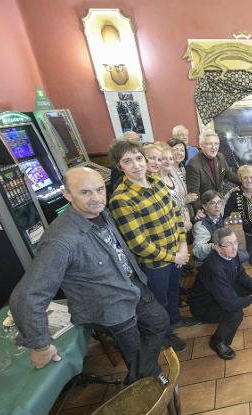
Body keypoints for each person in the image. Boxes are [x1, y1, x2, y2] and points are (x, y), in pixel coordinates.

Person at [9, 167, 169, 385]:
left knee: (159, 321)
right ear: (68, 195)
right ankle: (146, 382)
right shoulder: (60, 240)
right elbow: (26, 296)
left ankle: (138, 376)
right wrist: (41, 345)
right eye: (85, 192)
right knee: (134, 354)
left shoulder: (101, 211)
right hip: (108, 307)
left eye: (99, 189)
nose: (96, 198)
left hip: (130, 285)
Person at [108, 140, 189, 351]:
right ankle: (165, 336)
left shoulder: (156, 181)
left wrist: (182, 244)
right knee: (158, 302)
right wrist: (174, 257)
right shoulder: (121, 199)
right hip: (156, 265)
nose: (136, 165)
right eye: (128, 161)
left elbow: (176, 214)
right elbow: (138, 244)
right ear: (120, 166)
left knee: (174, 292)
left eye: (138, 158)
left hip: (176, 254)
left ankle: (175, 320)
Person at [188, 228, 252, 360]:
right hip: (203, 307)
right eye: (229, 244)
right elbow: (230, 304)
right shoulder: (214, 268)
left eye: (235, 242)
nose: (234, 247)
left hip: (220, 291)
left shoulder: (231, 254)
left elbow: (240, 274)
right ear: (218, 248)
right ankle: (217, 342)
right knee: (235, 314)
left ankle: (228, 313)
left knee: (250, 283)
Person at [186, 130, 241, 212]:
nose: (214, 147)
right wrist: (200, 210)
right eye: (209, 144)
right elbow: (194, 193)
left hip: (219, 201)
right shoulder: (193, 165)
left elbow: (230, 175)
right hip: (205, 206)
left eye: (216, 144)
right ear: (201, 145)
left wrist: (245, 182)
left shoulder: (220, 157)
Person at [192, 190, 249, 264]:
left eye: (219, 202)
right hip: (210, 254)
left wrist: (232, 190)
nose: (217, 206)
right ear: (205, 206)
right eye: (212, 203)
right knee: (241, 257)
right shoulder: (201, 225)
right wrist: (213, 247)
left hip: (222, 247)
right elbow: (198, 250)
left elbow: (225, 199)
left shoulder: (219, 213)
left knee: (245, 256)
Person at [159, 144, 194, 232]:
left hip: (184, 223)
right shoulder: (157, 182)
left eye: (170, 159)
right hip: (173, 228)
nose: (168, 161)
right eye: (164, 159)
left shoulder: (172, 179)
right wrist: (182, 225)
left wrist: (188, 220)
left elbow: (182, 203)